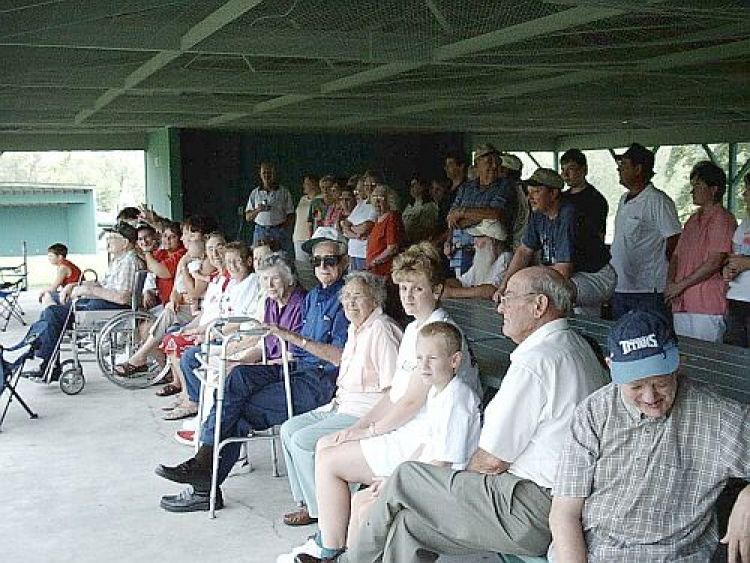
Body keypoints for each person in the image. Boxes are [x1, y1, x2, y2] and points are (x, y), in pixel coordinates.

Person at [313, 267, 605, 563]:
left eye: (508, 298)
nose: (500, 307)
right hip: (558, 503)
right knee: (409, 525)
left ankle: (346, 561)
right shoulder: (576, 346)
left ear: (539, 305)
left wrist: (451, 492)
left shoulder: (536, 362)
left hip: (528, 506)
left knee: (405, 477)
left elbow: (491, 460)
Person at [282, 242, 482, 562]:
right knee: (329, 447)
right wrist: (358, 428)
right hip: (408, 431)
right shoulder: (414, 328)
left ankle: (330, 546)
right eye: (403, 288)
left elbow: (411, 402)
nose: (408, 296)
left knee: (330, 459)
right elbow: (394, 393)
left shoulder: (439, 333)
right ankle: (330, 539)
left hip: (422, 438)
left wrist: (369, 432)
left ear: (437, 290)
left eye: (418, 288)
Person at [154, 228, 350, 512]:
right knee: (238, 377)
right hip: (295, 368)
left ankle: (204, 481)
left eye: (329, 260)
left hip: (319, 381)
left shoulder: (347, 299)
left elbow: (340, 357)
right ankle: (203, 471)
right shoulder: (314, 297)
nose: (322, 266)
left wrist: (294, 339)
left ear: (344, 262)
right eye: (316, 261)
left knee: (238, 412)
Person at [550, 309, 750, 563]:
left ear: (678, 364)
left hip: (672, 557)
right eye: (636, 386)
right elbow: (564, 513)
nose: (650, 397)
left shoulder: (718, 416)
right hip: (594, 553)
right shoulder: (593, 412)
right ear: (610, 367)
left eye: (660, 383)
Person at [279, 272, 402, 529]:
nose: (350, 303)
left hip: (364, 412)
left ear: (375, 299)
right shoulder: (356, 328)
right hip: (341, 405)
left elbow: (395, 389)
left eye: (358, 296)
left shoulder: (381, 330)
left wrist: (368, 427)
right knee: (288, 429)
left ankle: (327, 516)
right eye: (346, 297)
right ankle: (309, 503)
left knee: (303, 441)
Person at [496, 168, 616, 317]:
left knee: (553, 292)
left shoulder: (569, 215)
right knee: (553, 292)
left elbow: (563, 271)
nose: (529, 197)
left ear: (553, 193)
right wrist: (505, 285)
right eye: (529, 192)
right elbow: (524, 251)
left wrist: (524, 281)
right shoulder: (538, 215)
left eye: (536, 192)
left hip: (596, 276)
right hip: (573, 278)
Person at [31, 222, 145, 378]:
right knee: (51, 310)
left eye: (112, 238)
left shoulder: (129, 262)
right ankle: (48, 363)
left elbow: (122, 297)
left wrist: (88, 290)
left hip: (111, 309)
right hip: (101, 304)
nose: (107, 242)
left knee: (52, 313)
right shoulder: (119, 260)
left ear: (125, 243)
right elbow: (103, 284)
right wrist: (74, 285)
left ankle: (47, 363)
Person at [610, 143, 682, 320]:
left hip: (648, 289)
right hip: (620, 285)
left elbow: (674, 239)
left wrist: (664, 270)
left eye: (624, 165)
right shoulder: (623, 199)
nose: (619, 169)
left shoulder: (657, 201)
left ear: (638, 169)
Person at [666, 161, 736, 342]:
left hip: (707, 304)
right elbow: (676, 255)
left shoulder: (722, 219)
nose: (692, 191)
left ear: (714, 189)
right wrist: (671, 283)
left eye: (698, 185)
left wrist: (679, 285)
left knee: (706, 354)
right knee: (683, 354)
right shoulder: (692, 220)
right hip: (681, 301)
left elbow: (715, 262)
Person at [446, 144, 516, 276]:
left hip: (490, 252)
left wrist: (462, 212)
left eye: (497, 161)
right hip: (461, 251)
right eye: (489, 161)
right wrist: (448, 241)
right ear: (477, 164)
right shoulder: (465, 188)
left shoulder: (505, 186)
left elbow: (495, 214)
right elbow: (452, 219)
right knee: (462, 285)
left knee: (485, 285)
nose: (494, 166)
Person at [560, 148, 610, 280]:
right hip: (563, 259)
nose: (565, 174)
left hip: (586, 264)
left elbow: (598, 235)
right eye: (563, 169)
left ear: (584, 170)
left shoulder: (595, 200)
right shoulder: (561, 198)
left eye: (571, 169)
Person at [442, 219, 512, 300]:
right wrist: (444, 285)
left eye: (478, 237)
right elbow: (461, 282)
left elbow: (490, 291)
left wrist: (452, 292)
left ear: (493, 240)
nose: (474, 243)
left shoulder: (506, 257)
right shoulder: (484, 260)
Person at [245, 161, 295, 256]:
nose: (267, 175)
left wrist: (283, 229)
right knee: (259, 256)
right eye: (264, 173)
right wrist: (258, 210)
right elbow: (248, 217)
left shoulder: (284, 192)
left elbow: (291, 214)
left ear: (274, 174)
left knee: (282, 257)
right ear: (260, 174)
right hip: (260, 230)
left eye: (269, 173)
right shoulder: (255, 193)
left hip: (278, 230)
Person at [723, 173, 750, 347]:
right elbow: (734, 255)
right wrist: (728, 268)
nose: (744, 194)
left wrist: (746, 263)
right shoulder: (745, 223)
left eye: (748, 189)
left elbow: (743, 260)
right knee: (734, 353)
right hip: (737, 298)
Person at [139, 221, 186, 311]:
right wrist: (148, 290)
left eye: (173, 236)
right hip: (163, 302)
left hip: (178, 304)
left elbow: (163, 272)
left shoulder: (182, 253)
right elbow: (151, 272)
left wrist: (147, 252)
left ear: (180, 239)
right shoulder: (161, 253)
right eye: (165, 236)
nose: (167, 239)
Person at [366, 185, 404, 277]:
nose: (376, 202)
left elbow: (392, 248)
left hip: (384, 271)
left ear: (389, 200)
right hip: (374, 270)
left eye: (381, 198)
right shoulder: (379, 218)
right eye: (374, 198)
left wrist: (375, 261)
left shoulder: (392, 218)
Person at [341, 177, 377, 272]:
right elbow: (345, 226)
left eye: (372, 185)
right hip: (352, 253)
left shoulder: (375, 205)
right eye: (366, 185)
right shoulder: (361, 203)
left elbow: (365, 227)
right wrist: (357, 235)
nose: (369, 188)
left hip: (364, 254)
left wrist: (351, 228)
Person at [38, 243, 82, 307]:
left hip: (75, 297)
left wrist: (42, 291)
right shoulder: (66, 264)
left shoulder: (63, 267)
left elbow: (53, 288)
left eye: (51, 256)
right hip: (73, 294)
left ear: (60, 257)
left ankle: (56, 312)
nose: (49, 258)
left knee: (47, 295)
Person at [401, 177, 438, 244]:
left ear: (422, 187)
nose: (411, 188)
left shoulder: (429, 206)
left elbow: (427, 230)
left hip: (418, 243)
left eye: (414, 185)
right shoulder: (409, 206)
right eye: (411, 186)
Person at [294, 175, 320, 261]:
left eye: (306, 183)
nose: (304, 186)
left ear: (314, 185)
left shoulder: (320, 199)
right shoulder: (303, 199)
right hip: (299, 237)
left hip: (312, 237)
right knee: (302, 265)